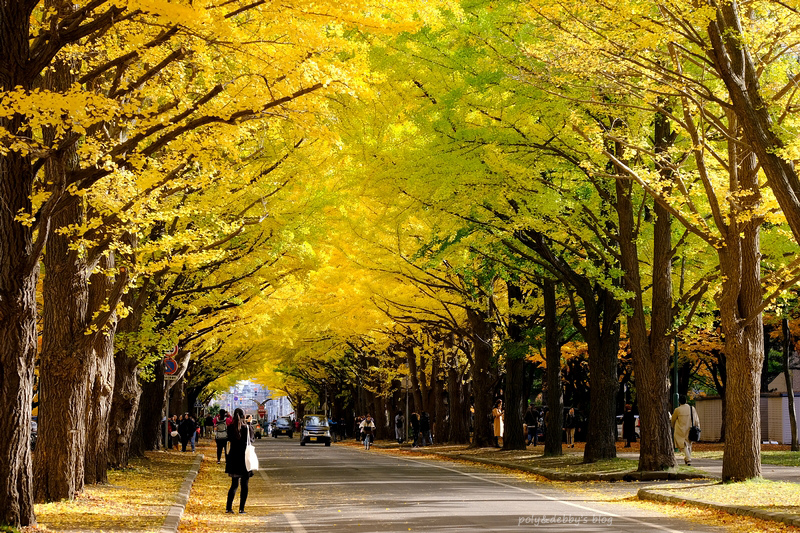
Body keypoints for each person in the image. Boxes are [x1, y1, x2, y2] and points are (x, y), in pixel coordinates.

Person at [225, 408, 254, 514]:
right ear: (243, 416)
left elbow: (229, 440)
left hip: (233, 457)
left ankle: (229, 508)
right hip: (244, 457)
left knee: (234, 484)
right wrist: (249, 424)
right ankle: (241, 509)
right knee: (244, 484)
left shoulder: (230, 427)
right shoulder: (246, 427)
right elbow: (251, 439)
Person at [671, 395, 700, 466]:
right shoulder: (691, 408)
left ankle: (688, 458)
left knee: (683, 444)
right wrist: (698, 426)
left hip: (681, 429)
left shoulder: (677, 410)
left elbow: (673, 419)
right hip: (690, 428)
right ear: (686, 401)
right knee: (689, 444)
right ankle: (688, 458)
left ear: (679, 402)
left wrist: (672, 426)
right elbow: (696, 418)